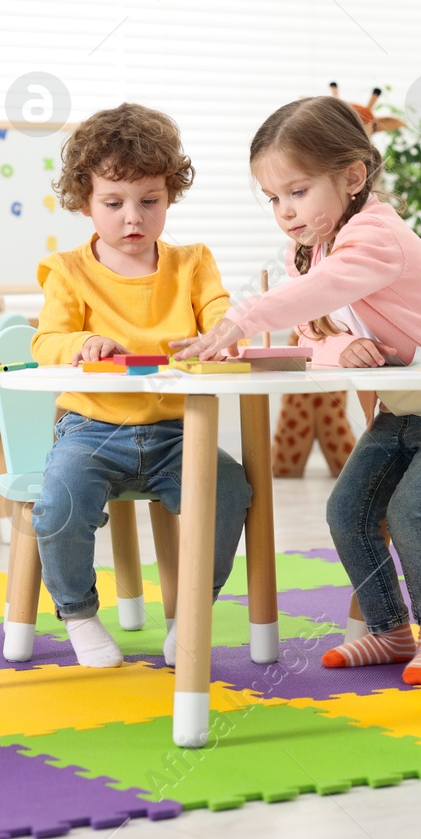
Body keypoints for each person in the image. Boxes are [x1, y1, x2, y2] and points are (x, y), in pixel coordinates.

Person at [173, 95, 421, 684]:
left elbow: (322, 291)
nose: (284, 210)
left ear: (353, 177)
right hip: (404, 409)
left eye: (297, 192)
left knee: (411, 511)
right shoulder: (310, 250)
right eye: (273, 198)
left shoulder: (377, 234)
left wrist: (243, 319)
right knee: (346, 511)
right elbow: (313, 328)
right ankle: (389, 631)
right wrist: (336, 348)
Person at [32, 102, 252, 668]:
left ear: (170, 196)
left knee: (230, 489)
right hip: (90, 430)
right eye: (114, 203)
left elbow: (220, 313)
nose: (133, 217)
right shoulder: (67, 271)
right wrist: (81, 346)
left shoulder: (193, 263)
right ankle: (78, 614)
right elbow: (46, 342)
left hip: (180, 432)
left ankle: (194, 613)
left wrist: (228, 333)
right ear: (85, 201)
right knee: (58, 500)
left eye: (149, 201)